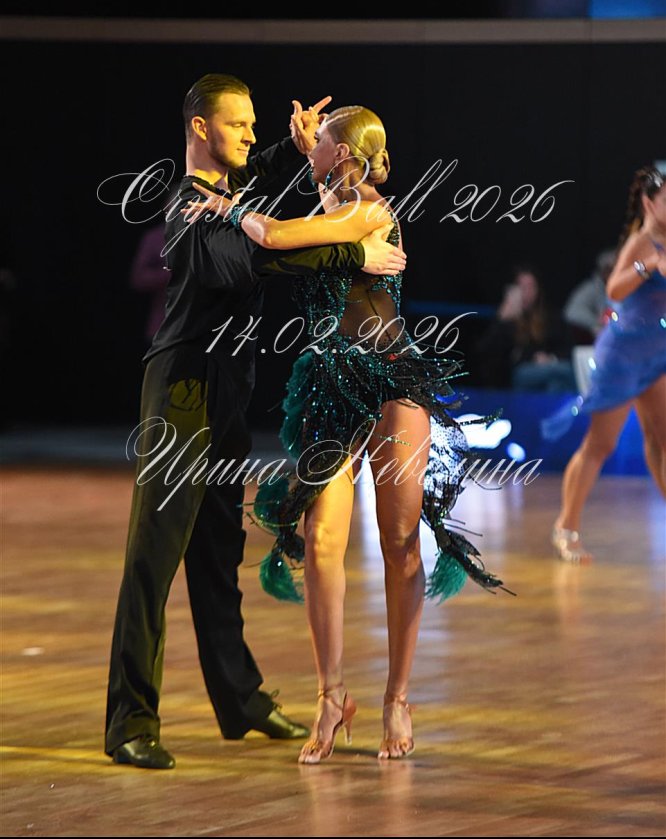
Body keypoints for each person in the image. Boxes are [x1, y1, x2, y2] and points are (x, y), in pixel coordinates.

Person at [184, 105, 506, 765]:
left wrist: (227, 208)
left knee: (398, 540)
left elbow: (275, 235)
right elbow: (285, 241)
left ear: (346, 155)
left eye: (321, 142)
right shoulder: (330, 206)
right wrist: (293, 163)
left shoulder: (368, 209)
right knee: (321, 538)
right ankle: (331, 695)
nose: (311, 146)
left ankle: (398, 696)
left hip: (389, 381)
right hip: (331, 383)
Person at [105, 75, 407, 770]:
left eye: (253, 124)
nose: (251, 134)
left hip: (226, 391)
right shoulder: (188, 205)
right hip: (181, 390)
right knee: (155, 556)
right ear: (201, 128)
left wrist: (292, 151)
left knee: (218, 551)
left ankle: (239, 698)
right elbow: (253, 259)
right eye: (238, 125)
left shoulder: (229, 190)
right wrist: (353, 252)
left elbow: (256, 185)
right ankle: (130, 720)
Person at [546, 166, 666, 562]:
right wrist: (648, 266)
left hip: (657, 355)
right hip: (623, 358)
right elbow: (614, 288)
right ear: (649, 203)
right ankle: (566, 526)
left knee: (662, 439)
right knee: (601, 445)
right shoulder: (641, 242)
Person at [475, 265, 575, 392]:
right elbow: (487, 353)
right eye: (522, 287)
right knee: (566, 371)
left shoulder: (549, 317)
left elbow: (566, 346)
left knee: (555, 384)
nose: (526, 292)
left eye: (531, 287)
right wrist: (501, 320)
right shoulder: (507, 319)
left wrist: (550, 358)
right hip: (517, 375)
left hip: (547, 369)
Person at [562, 249, 616, 344]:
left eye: (617, 268)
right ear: (602, 271)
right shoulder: (592, 288)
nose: (613, 273)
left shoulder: (629, 287)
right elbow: (571, 312)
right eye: (609, 269)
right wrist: (596, 323)